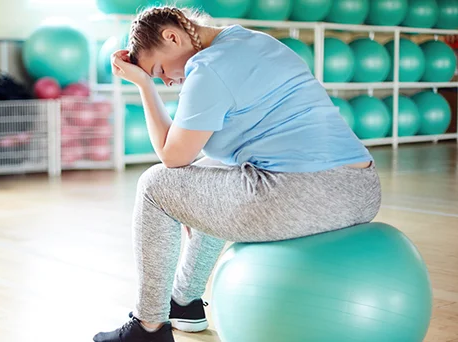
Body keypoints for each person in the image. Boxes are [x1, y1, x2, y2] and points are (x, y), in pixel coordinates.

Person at [93, 6, 381, 342]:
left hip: (306, 193)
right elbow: (202, 161)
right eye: (157, 78)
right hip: (362, 188)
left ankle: (148, 327)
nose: (168, 80)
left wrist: (143, 84)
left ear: (172, 36)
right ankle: (184, 302)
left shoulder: (208, 67)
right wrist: (191, 203)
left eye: (159, 69)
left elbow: (172, 157)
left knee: (154, 186)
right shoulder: (252, 41)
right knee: (210, 173)